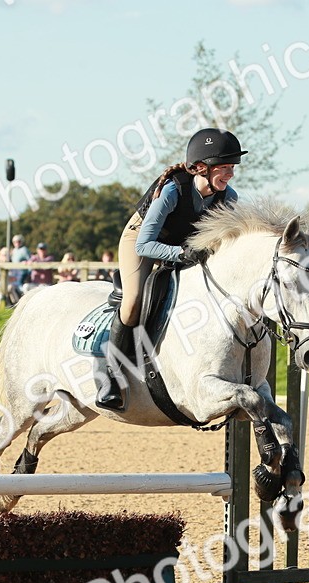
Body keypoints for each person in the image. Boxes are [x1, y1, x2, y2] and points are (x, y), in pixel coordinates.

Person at [98, 127, 245, 411]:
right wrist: (180, 253)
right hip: (141, 241)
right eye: (225, 167)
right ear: (201, 168)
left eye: (232, 167)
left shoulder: (229, 198)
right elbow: (144, 245)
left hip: (182, 245)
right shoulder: (171, 191)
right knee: (133, 302)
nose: (231, 174)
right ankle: (110, 376)